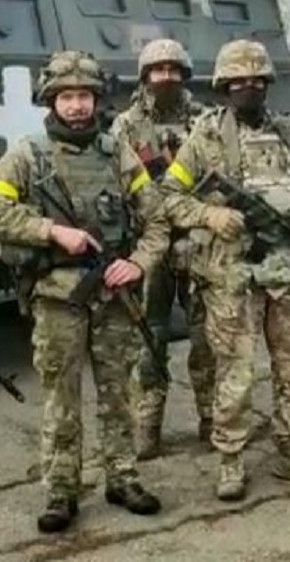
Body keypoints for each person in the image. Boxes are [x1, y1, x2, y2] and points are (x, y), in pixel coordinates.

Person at [0, 51, 167, 533]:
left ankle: (122, 477)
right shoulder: (27, 155)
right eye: (67, 97)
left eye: (84, 96)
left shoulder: (117, 153)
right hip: (58, 297)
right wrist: (51, 231)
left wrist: (137, 263)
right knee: (61, 396)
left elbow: (158, 220)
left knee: (118, 391)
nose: (77, 105)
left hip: (114, 295)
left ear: (96, 100)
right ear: (52, 101)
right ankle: (62, 490)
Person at [159, 39, 290, 501]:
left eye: (257, 81)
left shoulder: (288, 134)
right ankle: (231, 459)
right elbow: (169, 197)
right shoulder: (205, 137)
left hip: (288, 274)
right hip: (232, 276)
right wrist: (210, 215)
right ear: (224, 86)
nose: (249, 88)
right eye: (239, 82)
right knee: (236, 373)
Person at [110, 38, 215, 459]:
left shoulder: (205, 121)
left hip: (197, 240)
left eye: (173, 70)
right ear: (145, 76)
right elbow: (117, 182)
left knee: (205, 334)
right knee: (149, 335)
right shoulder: (125, 126)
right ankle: (148, 423)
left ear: (184, 75)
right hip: (149, 244)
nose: (165, 77)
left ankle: (212, 417)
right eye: (158, 70)